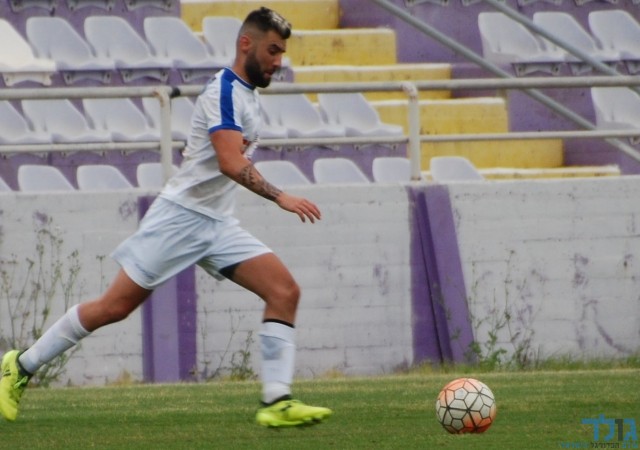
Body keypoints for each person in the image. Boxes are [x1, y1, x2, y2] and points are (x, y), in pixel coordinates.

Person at [0, 7, 332, 428]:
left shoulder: (249, 95)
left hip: (216, 223)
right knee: (114, 307)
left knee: (284, 291)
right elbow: (230, 162)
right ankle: (19, 366)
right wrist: (281, 197)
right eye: (272, 51)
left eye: (282, 53)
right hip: (180, 218)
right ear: (246, 44)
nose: (278, 61)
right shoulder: (223, 91)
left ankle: (277, 401)